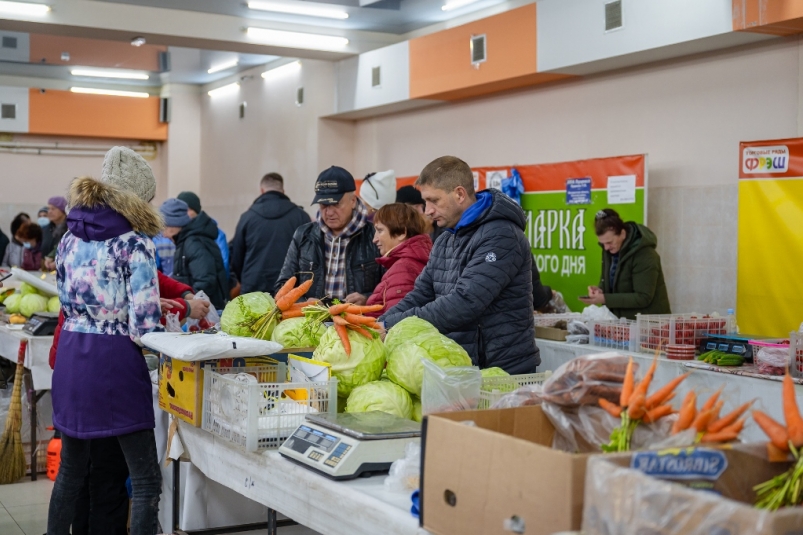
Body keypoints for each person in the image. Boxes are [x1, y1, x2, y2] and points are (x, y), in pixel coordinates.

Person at [48, 146, 163, 535]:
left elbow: (67, 303)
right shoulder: (134, 244)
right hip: (115, 363)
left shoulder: (68, 239)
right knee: (146, 479)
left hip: (71, 359)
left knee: (70, 473)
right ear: (136, 199)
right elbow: (144, 324)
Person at [382, 156, 539, 373]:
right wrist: (378, 324)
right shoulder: (446, 239)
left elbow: (465, 302)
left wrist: (392, 325)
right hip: (464, 367)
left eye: (434, 201)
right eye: (425, 202)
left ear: (459, 194)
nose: (427, 211)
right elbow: (421, 293)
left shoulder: (501, 235)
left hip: (502, 371)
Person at [276, 166, 382, 303]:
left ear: (353, 201)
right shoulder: (303, 235)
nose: (329, 212)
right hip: (310, 321)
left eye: (336, 204)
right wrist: (303, 303)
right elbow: (282, 287)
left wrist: (367, 299)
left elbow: (391, 288)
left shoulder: (375, 235)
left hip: (358, 321)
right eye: (323, 205)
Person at [579, 208, 671, 319]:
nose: (606, 248)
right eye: (602, 243)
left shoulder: (645, 255)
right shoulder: (610, 250)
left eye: (609, 242)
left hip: (650, 326)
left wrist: (604, 299)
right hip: (622, 323)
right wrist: (600, 290)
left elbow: (643, 297)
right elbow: (614, 281)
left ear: (622, 233)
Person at [231, 173, 309, 294]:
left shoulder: (247, 217)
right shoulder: (301, 217)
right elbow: (309, 257)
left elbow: (236, 257)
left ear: (262, 191)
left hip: (253, 288)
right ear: (283, 191)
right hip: (289, 290)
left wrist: (244, 280)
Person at [365, 204, 432, 317]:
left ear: (401, 233)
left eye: (380, 231)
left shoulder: (404, 268)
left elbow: (395, 324)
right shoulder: (409, 264)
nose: (374, 239)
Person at [160, 198, 228, 310]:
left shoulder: (193, 243)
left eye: (165, 227)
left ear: (176, 223)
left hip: (206, 310)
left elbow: (205, 281)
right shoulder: (186, 241)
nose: (164, 235)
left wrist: (190, 305)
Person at [177, 191, 230, 276]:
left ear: (196, 211)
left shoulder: (216, 234)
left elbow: (223, 264)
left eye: (188, 209)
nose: (184, 214)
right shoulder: (172, 235)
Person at [42, 196, 68, 270]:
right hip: (47, 268)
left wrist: (57, 261)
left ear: (62, 210)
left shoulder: (69, 229)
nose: (49, 212)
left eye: (53, 209)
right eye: (48, 209)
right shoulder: (46, 229)